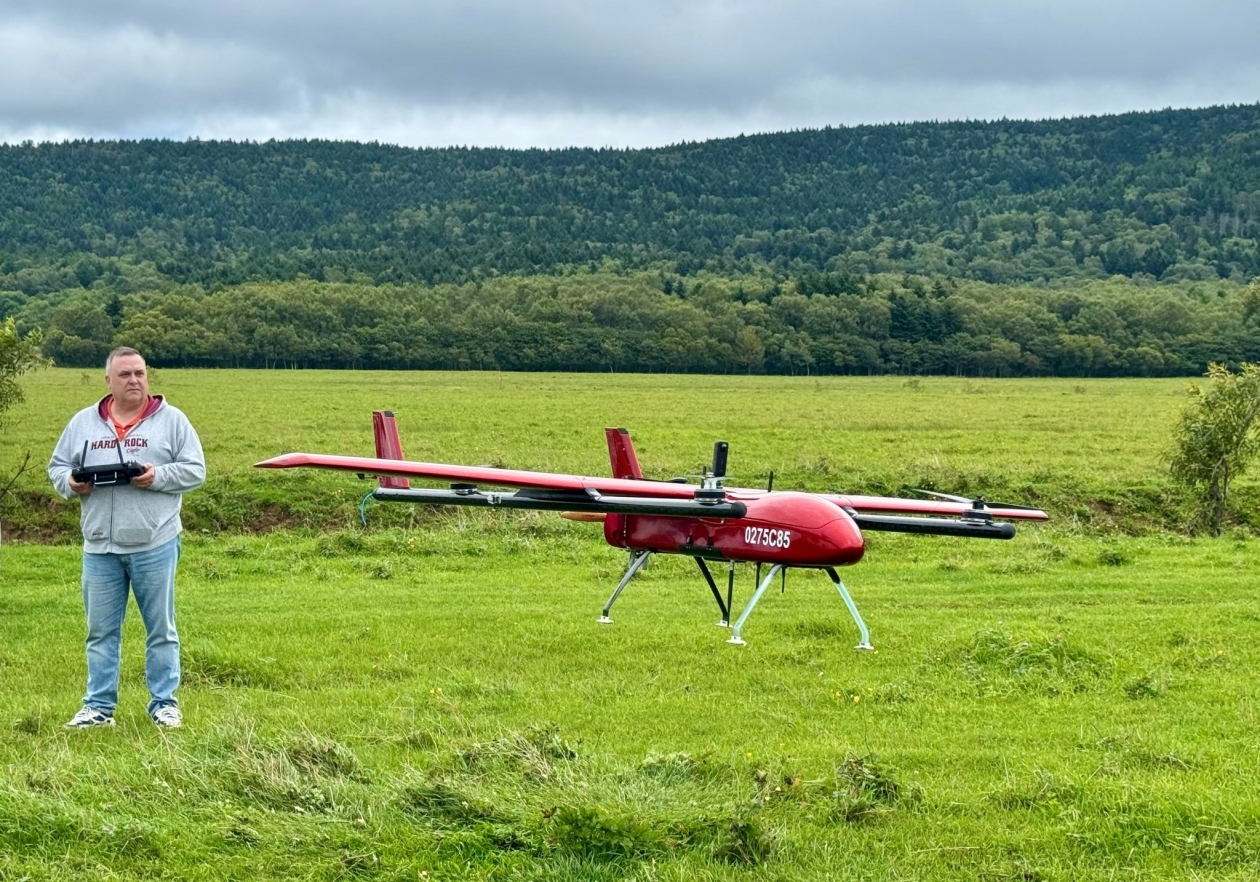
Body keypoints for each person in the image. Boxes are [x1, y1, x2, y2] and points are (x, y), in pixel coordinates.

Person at [48, 347, 205, 728]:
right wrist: (71, 483)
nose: (134, 380)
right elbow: (57, 468)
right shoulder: (83, 423)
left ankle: (164, 704)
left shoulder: (172, 421)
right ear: (108, 381)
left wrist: (157, 477)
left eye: (139, 373)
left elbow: (196, 471)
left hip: (155, 542)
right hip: (99, 545)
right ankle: (98, 708)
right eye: (125, 375)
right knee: (100, 632)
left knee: (161, 630)